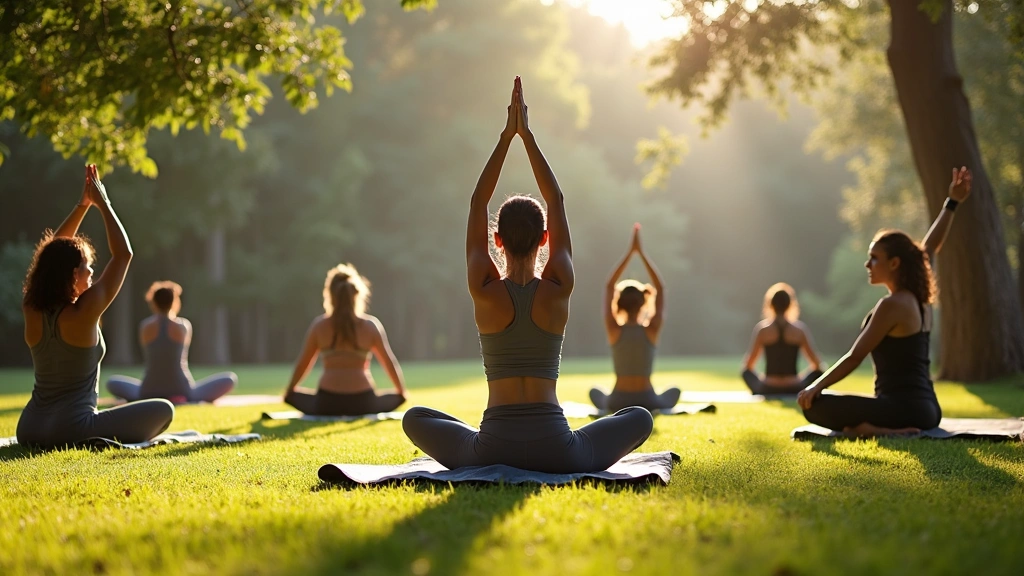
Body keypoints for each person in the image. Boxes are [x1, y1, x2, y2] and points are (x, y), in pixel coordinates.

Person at [402, 77, 653, 473]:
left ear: (496, 241)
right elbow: (555, 198)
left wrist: (506, 137)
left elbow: (477, 202)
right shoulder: (558, 285)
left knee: (415, 416)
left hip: (491, 448)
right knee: (639, 416)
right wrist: (527, 136)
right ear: (546, 238)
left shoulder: (483, 288)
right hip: (558, 449)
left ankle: (482, 442)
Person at [797, 167, 973, 436]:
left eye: (874, 258)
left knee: (814, 405)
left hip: (901, 409)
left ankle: (877, 431)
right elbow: (929, 248)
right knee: (825, 401)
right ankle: (877, 426)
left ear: (894, 263)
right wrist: (952, 203)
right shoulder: (918, 299)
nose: (868, 264)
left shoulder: (893, 305)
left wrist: (816, 386)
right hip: (928, 409)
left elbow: (855, 356)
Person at [16, 165, 174, 449]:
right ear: (73, 274)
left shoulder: (31, 307)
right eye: (88, 268)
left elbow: (52, 251)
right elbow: (123, 254)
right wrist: (103, 203)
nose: (92, 273)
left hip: (28, 428)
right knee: (164, 410)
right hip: (74, 429)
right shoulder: (83, 313)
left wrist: (82, 205)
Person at [282, 264, 407, 416]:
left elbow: (303, 364)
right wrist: (401, 392)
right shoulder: (371, 326)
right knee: (397, 398)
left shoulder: (319, 326)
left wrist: (290, 391)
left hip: (327, 403)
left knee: (293, 397)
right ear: (357, 295)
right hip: (364, 402)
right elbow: (389, 362)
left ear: (330, 295)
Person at [589, 224, 679, 411]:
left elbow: (608, 286)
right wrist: (641, 253)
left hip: (617, 401)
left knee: (595, 392)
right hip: (648, 400)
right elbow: (661, 289)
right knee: (674, 391)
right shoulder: (651, 329)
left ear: (618, 303)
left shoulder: (614, 329)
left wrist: (630, 253)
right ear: (643, 303)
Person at [106, 281, 237, 404]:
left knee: (112, 382)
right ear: (175, 302)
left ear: (153, 303)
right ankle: (182, 399)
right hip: (181, 390)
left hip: (148, 390)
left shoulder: (145, 327)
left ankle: (157, 398)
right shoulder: (183, 326)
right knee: (229, 379)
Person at [740, 283, 824, 395]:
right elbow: (817, 364)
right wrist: (800, 378)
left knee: (745, 372)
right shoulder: (799, 330)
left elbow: (748, 365)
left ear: (770, 305)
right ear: (790, 305)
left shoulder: (763, 330)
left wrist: (762, 378)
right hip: (794, 386)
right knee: (819, 372)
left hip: (768, 387)